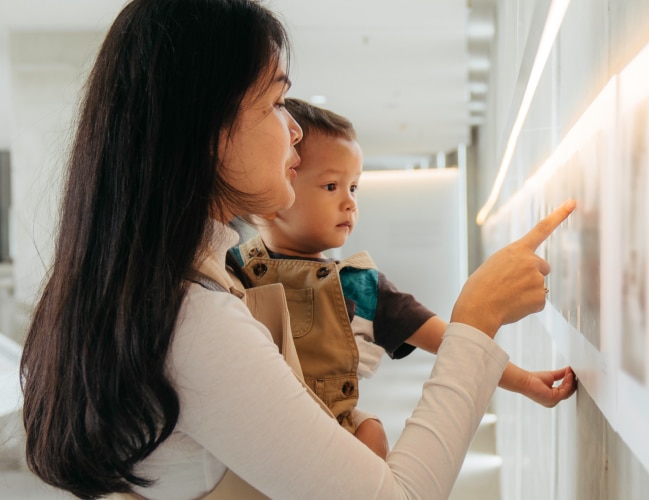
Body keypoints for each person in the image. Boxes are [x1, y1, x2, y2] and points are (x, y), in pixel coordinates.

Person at [19, 1, 575, 499]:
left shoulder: (161, 292)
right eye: (277, 103)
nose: (293, 133)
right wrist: (477, 319)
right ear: (211, 128)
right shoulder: (194, 319)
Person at [228, 98, 577, 458]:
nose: (349, 202)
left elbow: (455, 341)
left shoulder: (359, 286)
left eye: (354, 188)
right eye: (331, 186)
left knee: (370, 433)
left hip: (327, 456)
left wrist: (525, 383)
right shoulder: (228, 272)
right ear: (276, 184)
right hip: (253, 449)